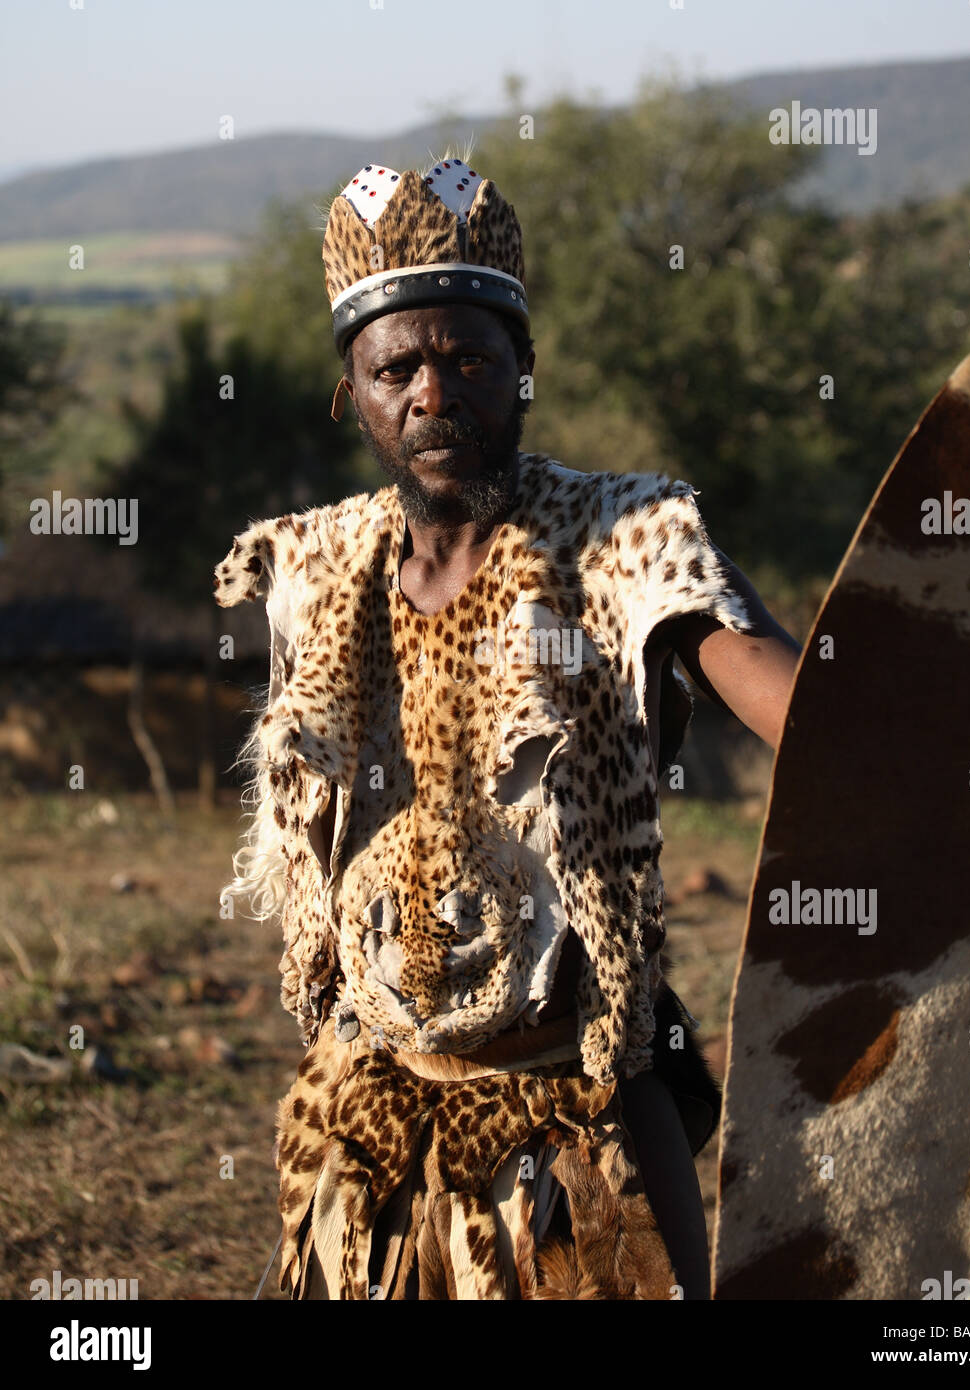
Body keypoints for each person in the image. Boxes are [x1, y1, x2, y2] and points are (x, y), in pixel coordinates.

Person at [214, 154, 800, 1300]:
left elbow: (809, 715)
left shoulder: (625, 536)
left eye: (471, 359)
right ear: (353, 392)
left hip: (574, 1102)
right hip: (369, 1109)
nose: (436, 394)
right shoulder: (316, 566)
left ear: (523, 371)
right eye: (399, 368)